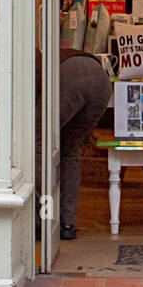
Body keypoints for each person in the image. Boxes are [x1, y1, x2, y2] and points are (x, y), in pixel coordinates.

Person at [35, 46, 113, 240]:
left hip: (72, 78)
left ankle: (41, 219)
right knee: (69, 149)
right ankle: (67, 223)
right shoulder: (45, 55)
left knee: (38, 143)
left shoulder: (23, 65)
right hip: (101, 82)